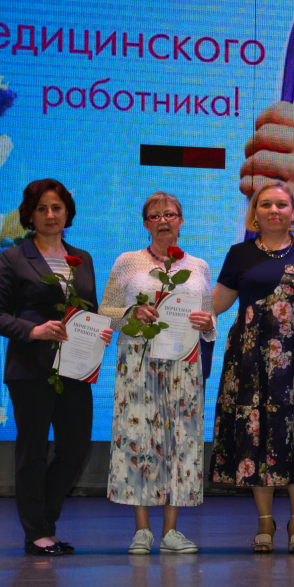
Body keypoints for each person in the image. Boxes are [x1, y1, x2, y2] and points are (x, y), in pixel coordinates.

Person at [0, 178, 113, 556]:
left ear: (67, 212)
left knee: (76, 449)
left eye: (56, 207)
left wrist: (99, 332)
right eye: (41, 208)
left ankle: (43, 521)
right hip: (31, 370)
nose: (50, 215)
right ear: (30, 215)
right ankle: (37, 532)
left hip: (75, 369)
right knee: (33, 452)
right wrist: (34, 330)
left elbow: (89, 310)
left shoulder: (83, 257)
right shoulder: (14, 258)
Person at [210, 180, 294, 554]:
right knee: (257, 435)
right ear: (254, 213)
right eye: (265, 204)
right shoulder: (239, 254)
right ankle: (265, 522)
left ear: (293, 211)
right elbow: (215, 304)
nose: (274, 211)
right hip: (251, 361)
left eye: (281, 204)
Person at [99, 192, 216, 555]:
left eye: (170, 214)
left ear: (181, 221)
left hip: (184, 364)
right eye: (155, 216)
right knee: (140, 439)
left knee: (181, 441)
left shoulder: (199, 266)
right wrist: (131, 314)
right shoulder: (128, 262)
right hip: (138, 361)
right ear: (145, 224)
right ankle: (142, 530)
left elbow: (210, 319)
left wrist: (207, 323)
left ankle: (171, 532)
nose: (163, 220)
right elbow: (105, 312)